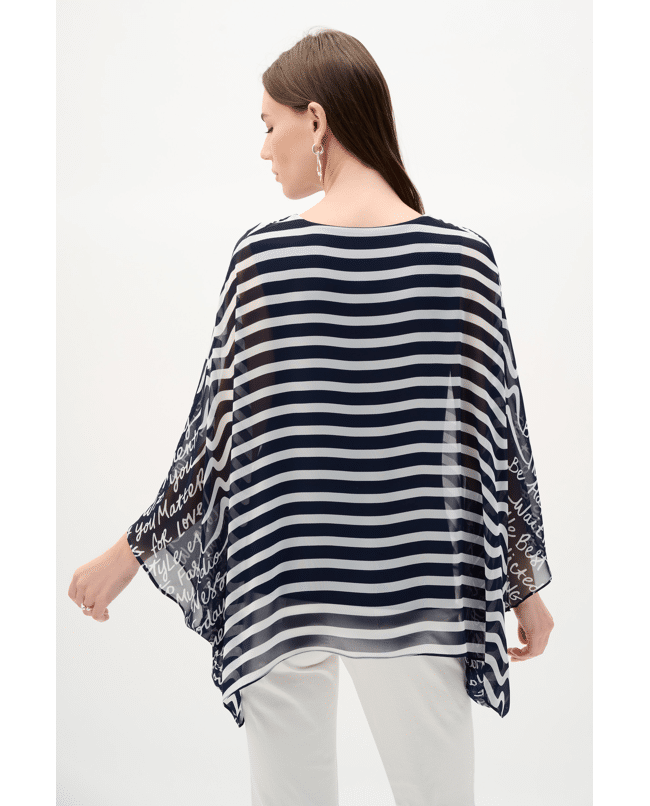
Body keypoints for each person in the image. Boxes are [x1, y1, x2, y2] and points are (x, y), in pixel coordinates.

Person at [69, 27, 554, 806]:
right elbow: (496, 446)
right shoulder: (465, 259)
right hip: (416, 584)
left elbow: (214, 444)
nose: (264, 149)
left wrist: (125, 557)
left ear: (317, 121)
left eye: (270, 125)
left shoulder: (263, 259)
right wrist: (522, 586)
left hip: (281, 581)